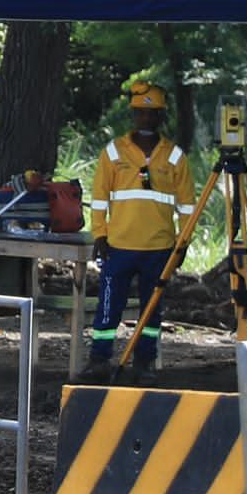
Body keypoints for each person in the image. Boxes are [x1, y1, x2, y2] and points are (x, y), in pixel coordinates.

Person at [84, 73, 198, 375]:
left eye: (153, 112)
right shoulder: (113, 152)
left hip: (159, 248)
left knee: (152, 311)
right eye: (141, 112)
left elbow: (187, 205)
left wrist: (182, 244)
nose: (146, 117)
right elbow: (99, 198)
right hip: (118, 246)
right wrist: (100, 234)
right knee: (109, 306)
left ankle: (144, 362)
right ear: (133, 114)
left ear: (161, 116)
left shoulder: (174, 156)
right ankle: (99, 360)